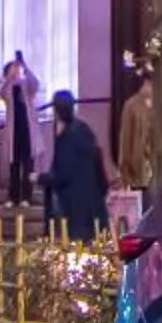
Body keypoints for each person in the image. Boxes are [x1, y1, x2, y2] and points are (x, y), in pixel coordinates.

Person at [43, 89, 107, 241]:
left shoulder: (68, 137)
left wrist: (41, 178)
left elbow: (64, 173)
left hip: (74, 206)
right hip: (93, 202)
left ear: (57, 111)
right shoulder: (84, 129)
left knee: (77, 251)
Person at [0, 52, 40, 208]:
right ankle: (13, 196)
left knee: (28, 165)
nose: (15, 71)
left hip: (27, 131)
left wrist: (25, 66)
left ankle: (27, 196)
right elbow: (1, 92)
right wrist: (9, 78)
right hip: (14, 132)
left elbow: (35, 84)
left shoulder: (25, 86)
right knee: (14, 166)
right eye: (12, 68)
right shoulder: (8, 89)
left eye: (16, 68)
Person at [117, 69, 160, 199]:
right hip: (144, 173)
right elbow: (125, 141)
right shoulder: (132, 106)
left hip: (150, 172)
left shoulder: (159, 105)